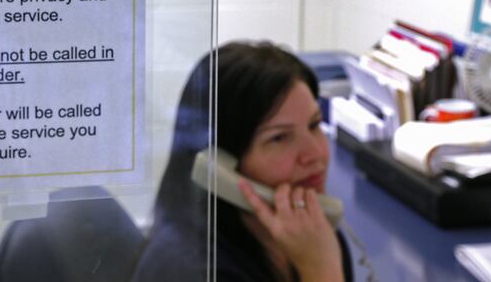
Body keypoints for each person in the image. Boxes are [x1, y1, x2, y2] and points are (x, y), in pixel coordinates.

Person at [132, 41, 353, 282]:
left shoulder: (310, 233)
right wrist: (321, 271)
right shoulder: (189, 270)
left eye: (314, 125)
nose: (315, 153)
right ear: (218, 164)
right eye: (279, 138)